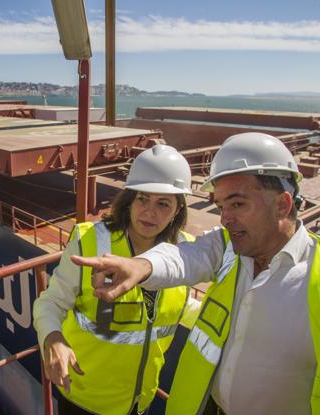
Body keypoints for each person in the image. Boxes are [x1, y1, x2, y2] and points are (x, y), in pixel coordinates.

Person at [72, 132, 320, 414]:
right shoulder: (230, 248)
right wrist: (139, 265)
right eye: (220, 205)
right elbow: (185, 256)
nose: (224, 219)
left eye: (237, 204)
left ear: (282, 204)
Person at [33, 144, 201, 415]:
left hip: (140, 401)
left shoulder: (185, 252)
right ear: (129, 200)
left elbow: (180, 306)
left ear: (177, 210)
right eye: (142, 199)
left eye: (163, 204)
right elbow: (50, 302)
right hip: (85, 400)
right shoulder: (90, 242)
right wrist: (53, 339)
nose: (149, 212)